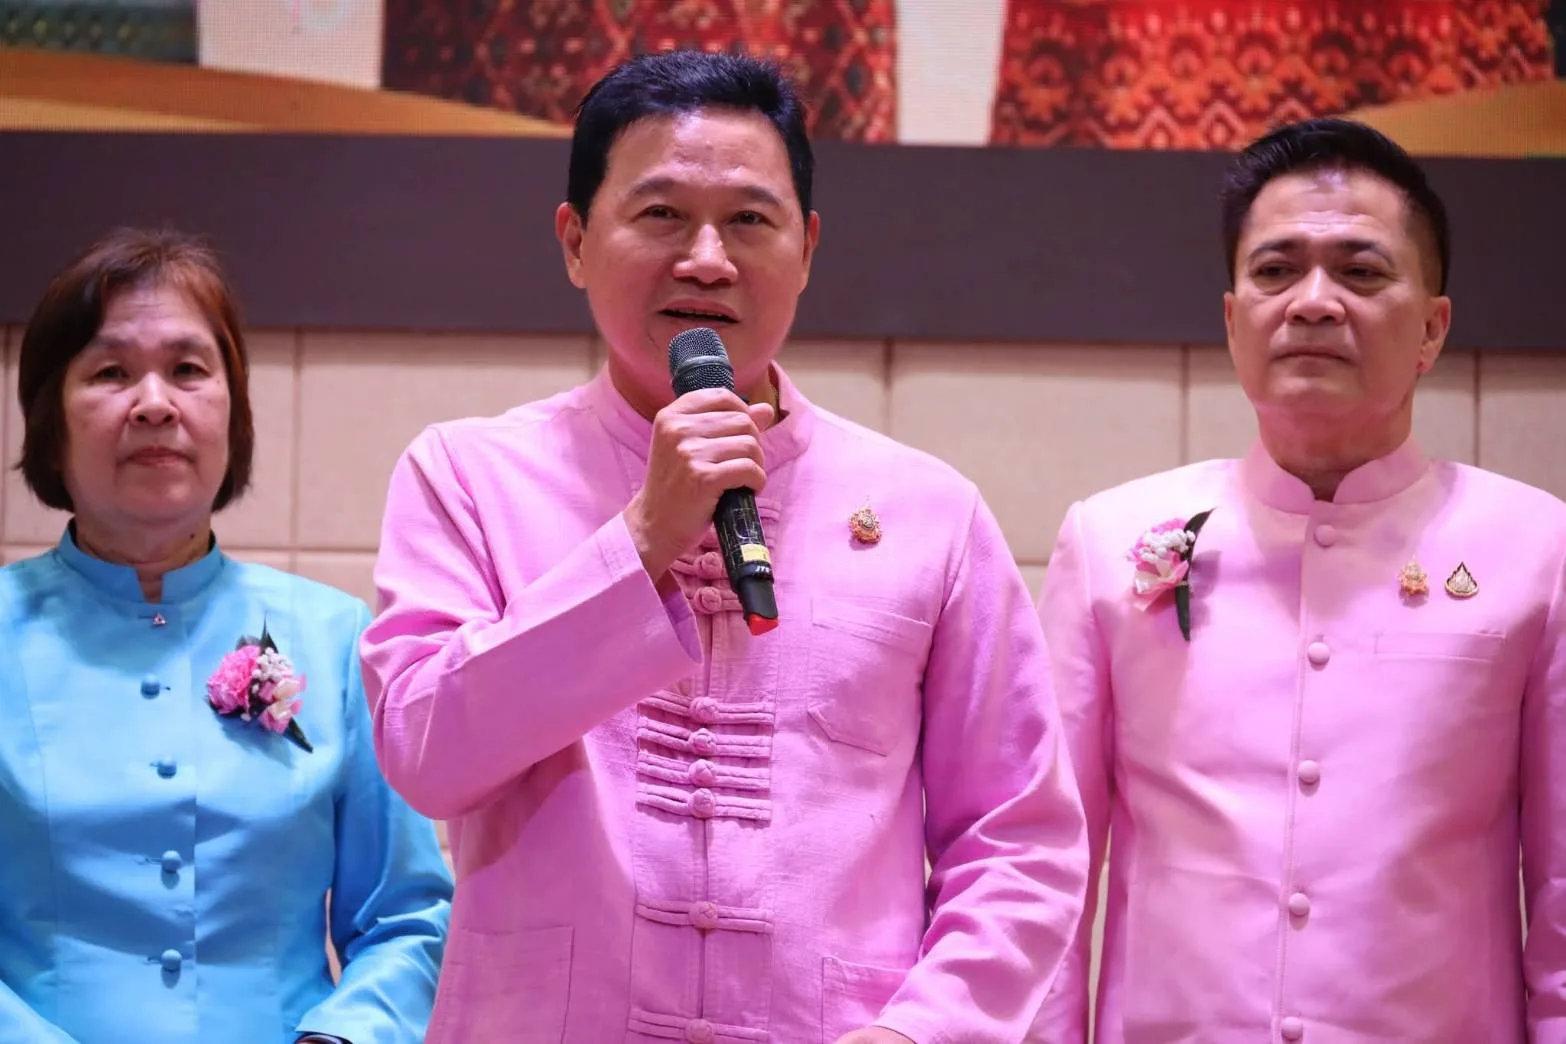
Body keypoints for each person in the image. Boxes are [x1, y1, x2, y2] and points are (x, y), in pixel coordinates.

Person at [361, 49, 1088, 1043]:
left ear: (807, 248)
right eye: (661, 214)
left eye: (749, 220)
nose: (707, 258)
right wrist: (643, 539)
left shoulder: (932, 513)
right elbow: (425, 755)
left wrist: (920, 1033)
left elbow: (1020, 842)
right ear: (575, 242)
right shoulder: (466, 477)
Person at [1033, 116, 1566, 1041]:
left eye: (1361, 272)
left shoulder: (1540, 551)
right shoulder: (1109, 542)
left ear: (1433, 328)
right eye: (1276, 271)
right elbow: (1047, 867)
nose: (1314, 303)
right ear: (1232, 318)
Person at [0, 227, 453, 1043]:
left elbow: (408, 918)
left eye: (187, 370)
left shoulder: (336, 639)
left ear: (233, 414)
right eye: (109, 372)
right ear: (49, 423)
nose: (154, 403)